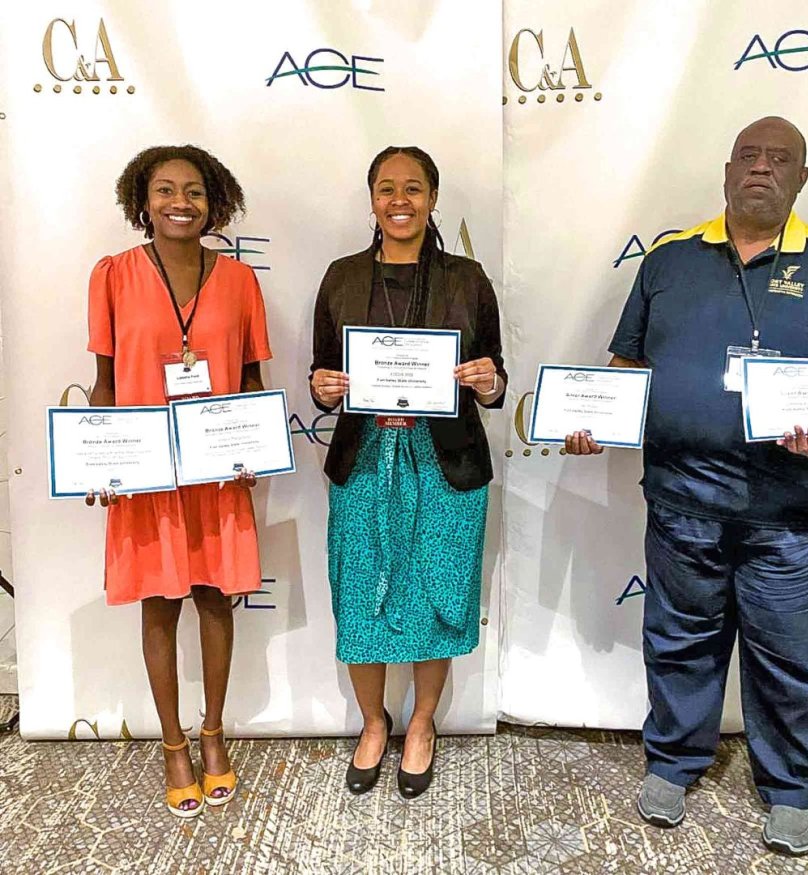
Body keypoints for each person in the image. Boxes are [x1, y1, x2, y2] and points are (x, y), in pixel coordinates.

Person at [566, 117, 808, 855]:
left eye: (779, 159)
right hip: (685, 502)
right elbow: (628, 363)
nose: (761, 168)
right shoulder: (670, 259)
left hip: (797, 513)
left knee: (792, 654)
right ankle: (676, 760)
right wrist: (596, 418)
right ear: (725, 171)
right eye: (749, 156)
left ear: (802, 179)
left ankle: (791, 786)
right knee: (680, 640)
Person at [309, 146, 506, 799]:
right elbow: (319, 376)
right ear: (371, 199)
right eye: (388, 188)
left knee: (434, 594)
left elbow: (497, 375)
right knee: (360, 593)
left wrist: (488, 380)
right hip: (365, 459)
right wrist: (324, 386)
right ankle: (373, 722)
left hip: (445, 463)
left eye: (414, 188)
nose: (401, 200)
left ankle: (420, 725)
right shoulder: (340, 277)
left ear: (432, 198)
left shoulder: (467, 278)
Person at [87, 145, 272, 818]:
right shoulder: (111, 275)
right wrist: (99, 460)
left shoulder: (241, 281)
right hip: (146, 473)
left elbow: (251, 380)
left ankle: (214, 735)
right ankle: (173, 745)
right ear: (142, 200)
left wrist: (256, 447)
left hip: (216, 471)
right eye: (165, 190)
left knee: (216, 599)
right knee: (160, 605)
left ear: (213, 202)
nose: (180, 202)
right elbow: (105, 383)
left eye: (194, 191)